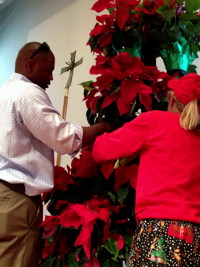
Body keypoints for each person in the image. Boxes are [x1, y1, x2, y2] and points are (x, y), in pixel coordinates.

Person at [0, 41, 111, 267]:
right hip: (16, 200)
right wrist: (103, 128)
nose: (51, 78)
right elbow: (64, 138)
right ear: (29, 65)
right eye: (48, 70)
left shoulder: (4, 92)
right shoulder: (28, 92)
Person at [92, 73, 200, 266]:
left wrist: (101, 129)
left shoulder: (154, 122)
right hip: (195, 239)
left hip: (156, 233)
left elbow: (101, 150)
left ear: (173, 99)